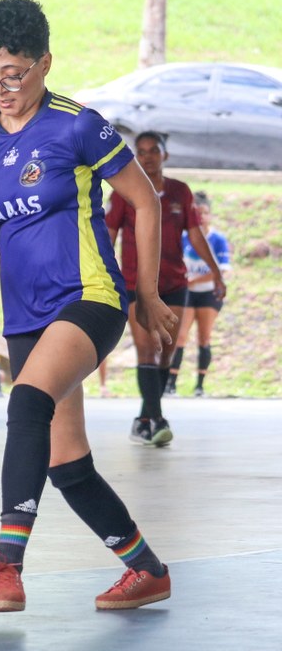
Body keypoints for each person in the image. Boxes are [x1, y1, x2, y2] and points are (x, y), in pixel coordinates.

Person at [0, 0, 175, 612]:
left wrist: (145, 293)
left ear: (44, 63)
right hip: (26, 318)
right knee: (67, 464)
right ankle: (146, 570)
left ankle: (7, 567)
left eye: (12, 75)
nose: (0, 88)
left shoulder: (77, 125)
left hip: (88, 298)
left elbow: (144, 200)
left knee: (26, 403)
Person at [107, 132, 226, 444]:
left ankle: (144, 418)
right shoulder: (124, 193)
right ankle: (158, 420)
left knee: (165, 353)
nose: (147, 157)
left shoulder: (179, 191)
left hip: (173, 283)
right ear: (136, 156)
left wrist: (216, 272)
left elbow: (196, 234)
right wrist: (106, 272)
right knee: (146, 350)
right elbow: (109, 233)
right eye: (141, 152)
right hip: (135, 283)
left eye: (153, 151)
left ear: (165, 155)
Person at [166, 191, 231, 397]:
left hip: (208, 294)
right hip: (186, 294)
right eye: (198, 213)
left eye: (205, 213)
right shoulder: (183, 237)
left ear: (210, 215)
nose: (202, 217)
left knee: (204, 337)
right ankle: (171, 384)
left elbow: (221, 269)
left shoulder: (218, 239)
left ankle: (200, 385)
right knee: (180, 336)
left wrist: (195, 280)